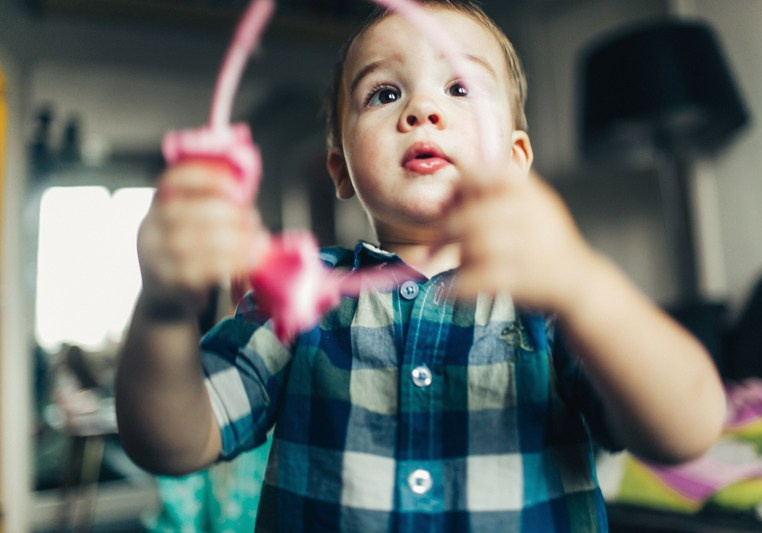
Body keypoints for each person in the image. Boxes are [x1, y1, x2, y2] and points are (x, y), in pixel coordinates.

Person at [116, 1, 727, 531]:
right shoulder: (302, 298)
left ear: (516, 159)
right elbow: (172, 441)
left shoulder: (555, 296)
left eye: (459, 88)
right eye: (384, 93)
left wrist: (585, 289)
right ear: (340, 169)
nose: (422, 109)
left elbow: (687, 429)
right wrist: (164, 309)